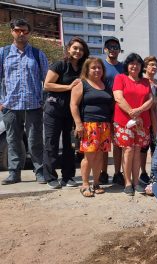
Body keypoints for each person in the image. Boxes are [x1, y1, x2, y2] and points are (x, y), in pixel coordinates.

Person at [0, 18, 48, 185]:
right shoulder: (3, 53)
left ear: (29, 33)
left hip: (33, 105)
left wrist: (43, 101)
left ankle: (40, 172)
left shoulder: (37, 54)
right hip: (10, 106)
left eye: (25, 31)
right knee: (13, 140)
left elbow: (46, 81)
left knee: (35, 140)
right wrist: (1, 101)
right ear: (12, 31)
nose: (21, 34)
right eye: (18, 30)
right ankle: (14, 173)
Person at [43, 36, 89, 189]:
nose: (78, 51)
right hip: (54, 110)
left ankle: (68, 176)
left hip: (71, 112)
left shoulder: (83, 68)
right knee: (52, 144)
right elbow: (47, 85)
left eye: (81, 49)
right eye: (75, 48)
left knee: (69, 146)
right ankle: (50, 177)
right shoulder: (60, 64)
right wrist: (68, 87)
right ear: (69, 49)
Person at [70, 57, 113, 197]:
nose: (97, 70)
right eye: (93, 68)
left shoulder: (105, 85)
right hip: (89, 125)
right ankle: (85, 184)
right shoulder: (81, 84)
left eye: (99, 67)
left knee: (100, 156)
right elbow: (73, 105)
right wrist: (78, 124)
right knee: (89, 157)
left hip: (105, 125)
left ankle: (96, 182)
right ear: (87, 70)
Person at [113, 53, 153, 196]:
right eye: (131, 63)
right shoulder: (120, 78)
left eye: (137, 63)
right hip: (124, 121)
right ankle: (127, 182)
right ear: (127, 65)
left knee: (137, 150)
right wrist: (132, 112)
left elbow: (150, 99)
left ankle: (136, 182)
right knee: (128, 150)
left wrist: (139, 111)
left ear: (141, 66)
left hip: (142, 122)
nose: (134, 66)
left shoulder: (145, 81)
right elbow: (118, 97)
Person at [100, 37, 124, 185]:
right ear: (105, 49)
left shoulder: (123, 67)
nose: (113, 49)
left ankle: (117, 173)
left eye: (116, 47)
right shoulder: (100, 65)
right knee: (103, 142)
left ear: (119, 50)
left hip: (118, 108)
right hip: (102, 107)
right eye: (110, 47)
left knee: (117, 143)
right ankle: (103, 172)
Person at [139, 56, 157, 184]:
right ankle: (143, 172)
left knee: (155, 147)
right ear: (145, 67)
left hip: (156, 119)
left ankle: (154, 172)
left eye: (155, 65)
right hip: (144, 118)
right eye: (151, 64)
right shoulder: (141, 81)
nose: (154, 67)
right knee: (143, 148)